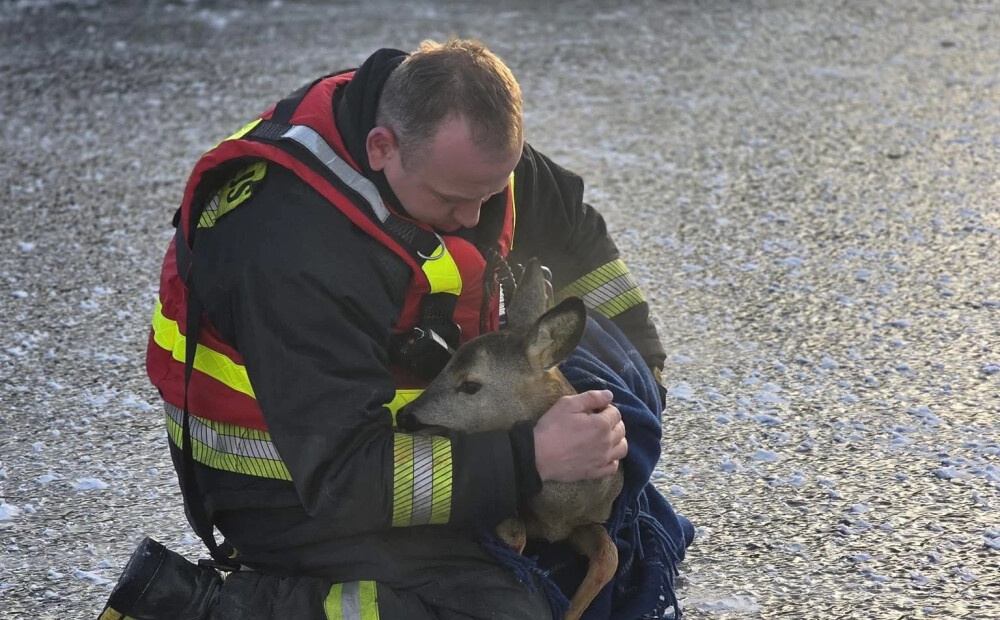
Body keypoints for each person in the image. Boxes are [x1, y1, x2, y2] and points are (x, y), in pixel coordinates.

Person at [102, 39, 686, 620]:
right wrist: (527, 461)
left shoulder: (451, 141)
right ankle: (202, 607)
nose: (475, 219)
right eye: (455, 199)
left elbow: (574, 235)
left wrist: (644, 378)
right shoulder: (291, 251)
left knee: (617, 528)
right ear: (382, 148)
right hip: (295, 485)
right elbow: (344, 478)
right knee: (507, 610)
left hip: (438, 423)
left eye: (491, 194)